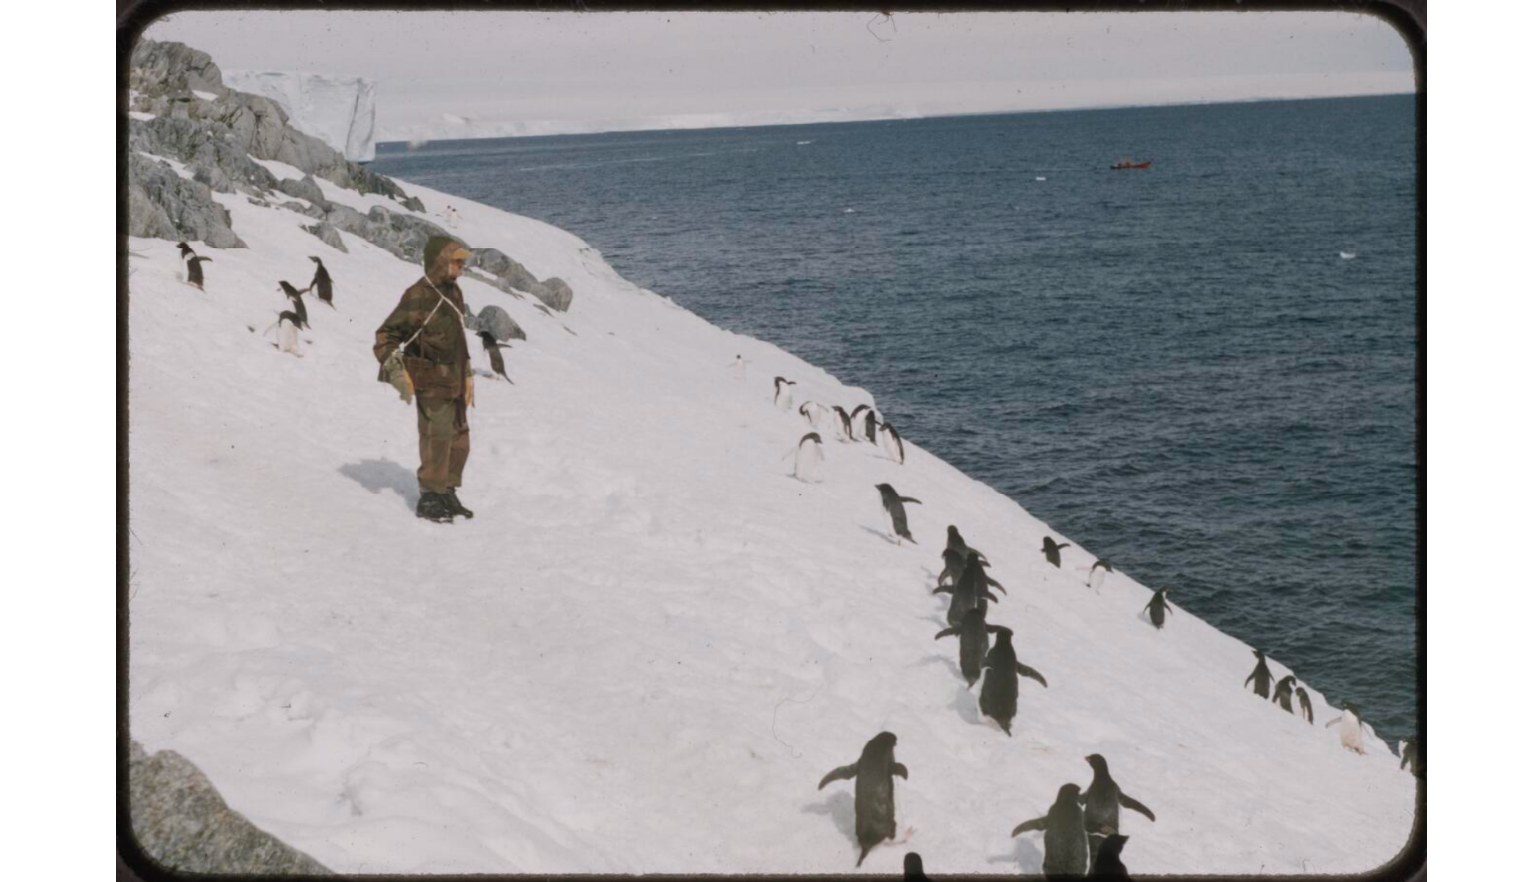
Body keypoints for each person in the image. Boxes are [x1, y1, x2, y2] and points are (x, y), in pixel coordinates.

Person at [375, 235, 476, 522]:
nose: (461, 266)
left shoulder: (454, 292)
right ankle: (429, 497)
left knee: (459, 441)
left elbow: (457, 338)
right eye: (457, 261)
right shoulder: (418, 295)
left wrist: (467, 373)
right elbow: (385, 336)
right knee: (437, 438)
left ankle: (447, 491)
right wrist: (397, 372)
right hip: (431, 381)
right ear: (441, 262)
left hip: (455, 380)